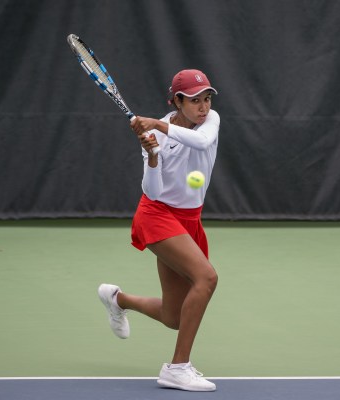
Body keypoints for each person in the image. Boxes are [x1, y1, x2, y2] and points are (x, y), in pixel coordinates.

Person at [97, 69, 220, 392]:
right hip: (157, 215)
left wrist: (157, 124)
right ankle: (178, 368)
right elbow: (153, 190)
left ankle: (117, 299)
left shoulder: (210, 122)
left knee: (173, 317)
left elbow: (202, 141)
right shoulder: (159, 136)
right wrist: (152, 155)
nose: (203, 106)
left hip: (190, 219)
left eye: (206, 98)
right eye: (194, 100)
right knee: (206, 278)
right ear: (177, 101)